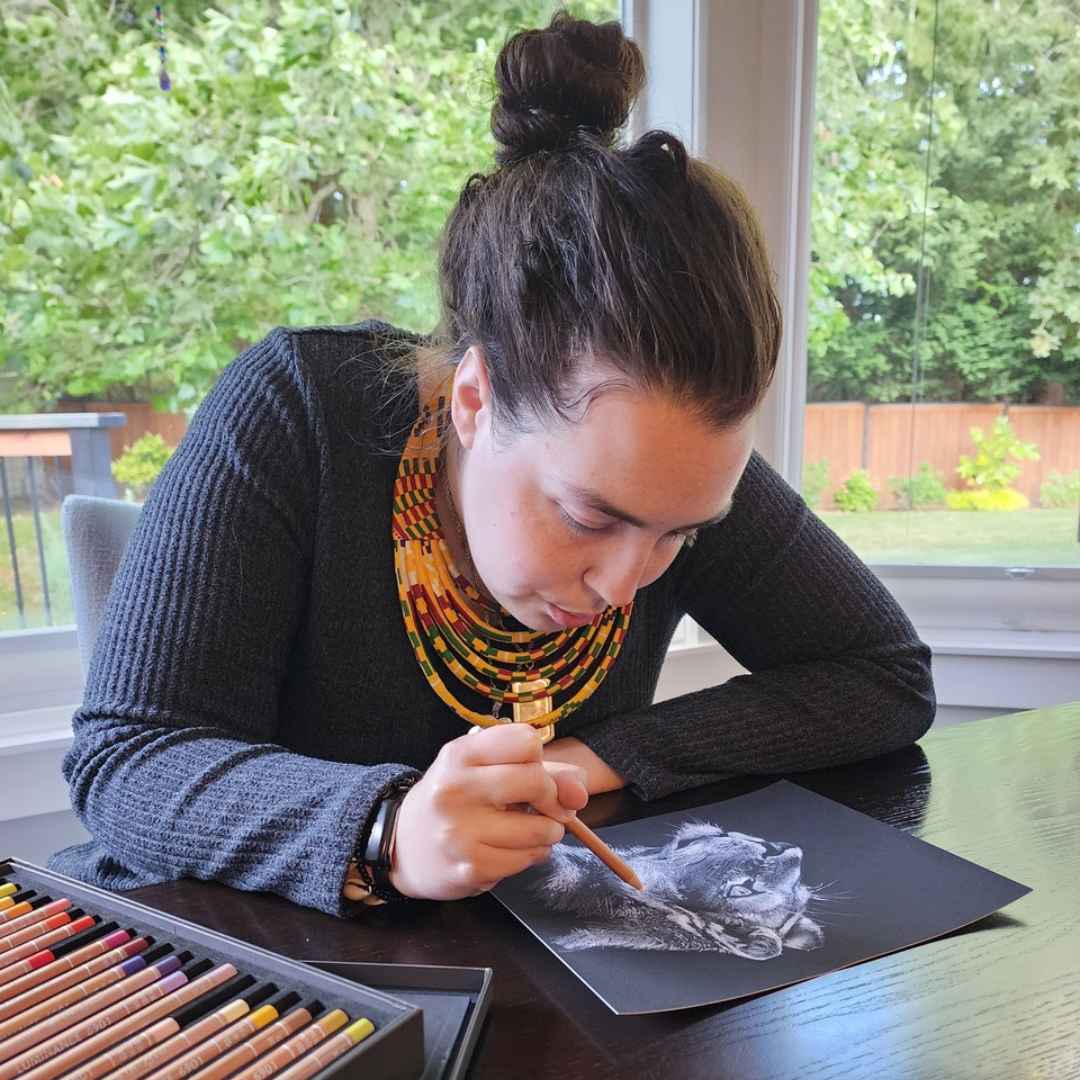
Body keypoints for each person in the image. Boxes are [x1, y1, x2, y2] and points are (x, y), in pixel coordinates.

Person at [51, 12, 934, 917]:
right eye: (589, 518)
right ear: (473, 401)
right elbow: (131, 756)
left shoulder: (667, 462)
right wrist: (383, 826)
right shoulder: (297, 409)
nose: (627, 585)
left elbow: (882, 674)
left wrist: (597, 760)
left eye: (682, 535)